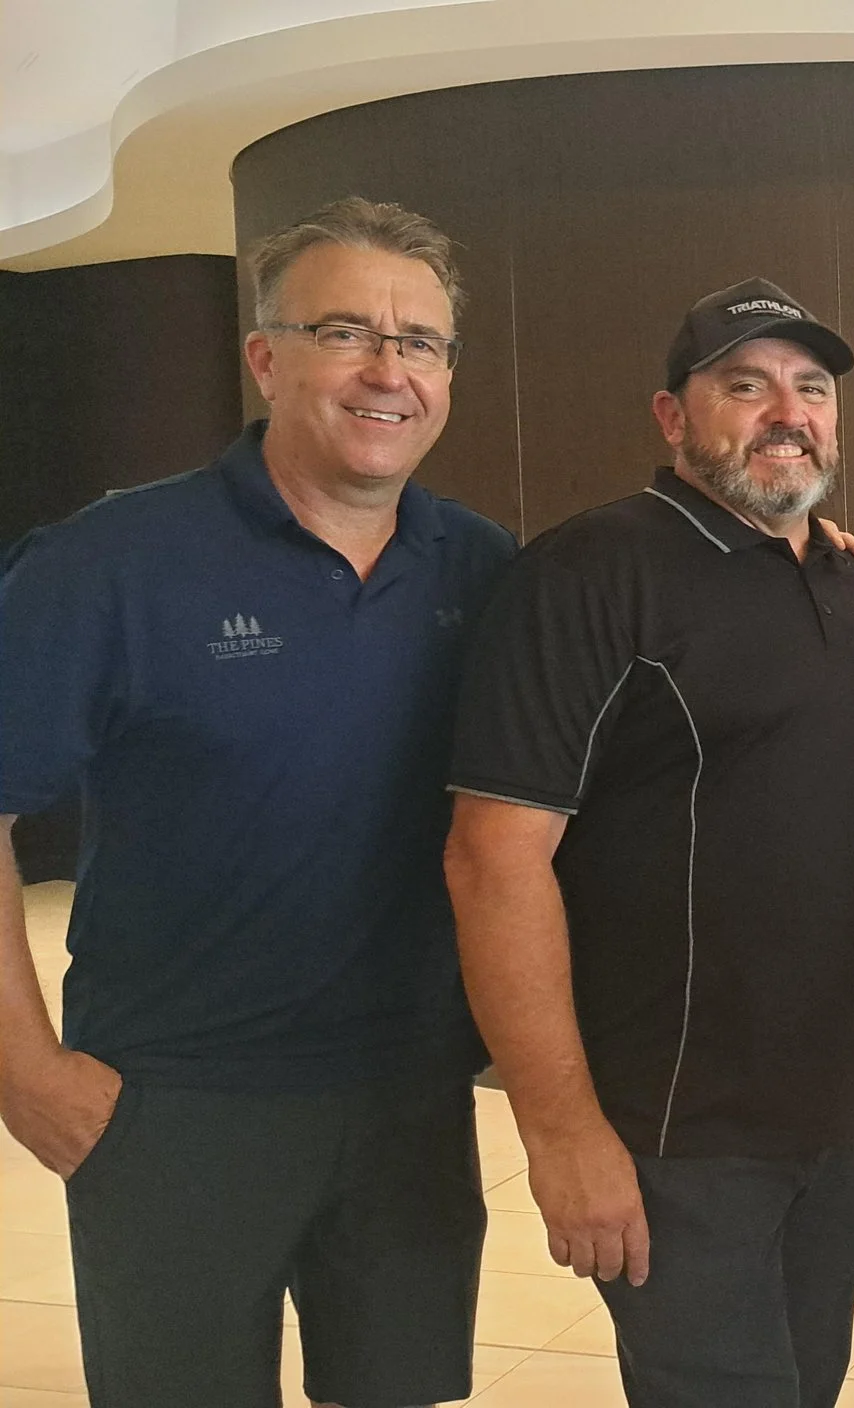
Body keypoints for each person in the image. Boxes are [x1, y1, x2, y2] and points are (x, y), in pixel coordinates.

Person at [442, 277, 854, 1408]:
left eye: (811, 387)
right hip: (676, 1131)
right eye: (746, 385)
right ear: (673, 416)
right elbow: (492, 857)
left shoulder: (850, 583)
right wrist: (561, 1135)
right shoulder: (593, 571)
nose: (787, 411)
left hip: (833, 1109)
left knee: (807, 1387)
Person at [0, 197, 511, 1408]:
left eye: (420, 341)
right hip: (173, 1106)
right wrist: (26, 1074)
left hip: (409, 1101)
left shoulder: (482, 567)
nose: (388, 369)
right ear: (265, 358)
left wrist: (793, 549)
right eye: (345, 332)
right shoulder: (108, 564)